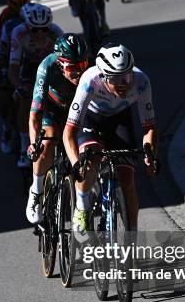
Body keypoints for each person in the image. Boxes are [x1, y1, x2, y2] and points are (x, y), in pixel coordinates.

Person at [62, 43, 159, 240]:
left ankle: (131, 235)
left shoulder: (141, 81)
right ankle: (82, 207)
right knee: (90, 163)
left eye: (126, 76)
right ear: (103, 77)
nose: (124, 84)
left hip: (120, 119)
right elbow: (69, 132)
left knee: (128, 179)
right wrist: (76, 164)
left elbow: (149, 127)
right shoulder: (89, 80)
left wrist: (151, 155)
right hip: (91, 119)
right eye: (116, 79)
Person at [25, 34, 89, 223]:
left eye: (83, 66)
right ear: (60, 64)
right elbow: (34, 115)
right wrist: (34, 144)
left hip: (76, 110)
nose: (79, 72)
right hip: (51, 109)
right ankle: (36, 191)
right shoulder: (47, 67)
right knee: (48, 141)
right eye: (72, 68)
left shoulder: (91, 67)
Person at [8, 3, 64, 168]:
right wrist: (19, 87)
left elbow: (65, 61)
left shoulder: (56, 32)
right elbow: (13, 68)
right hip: (28, 69)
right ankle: (25, 144)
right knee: (26, 100)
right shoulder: (18, 33)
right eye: (35, 30)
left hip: (50, 68)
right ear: (27, 26)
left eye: (44, 29)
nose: (40, 33)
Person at [0, 0, 31, 154]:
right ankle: (6, 127)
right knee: (3, 95)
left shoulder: (37, 23)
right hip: (10, 57)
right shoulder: (6, 22)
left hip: (29, 60)